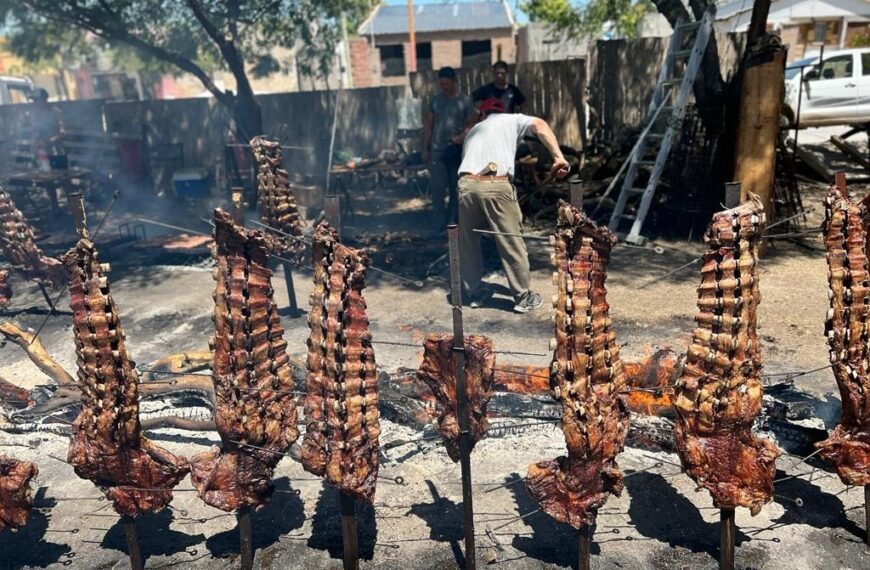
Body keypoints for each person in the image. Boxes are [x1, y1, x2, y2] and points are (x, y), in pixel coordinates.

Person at [456, 97, 570, 313]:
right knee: (511, 240)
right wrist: (558, 158)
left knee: (469, 242)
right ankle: (522, 297)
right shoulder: (512, 119)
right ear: (505, 111)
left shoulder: (474, 130)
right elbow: (540, 125)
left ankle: (474, 294)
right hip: (495, 184)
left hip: (465, 185)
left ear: (483, 113)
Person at [422, 67, 476, 225]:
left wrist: (461, 136)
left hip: (456, 150)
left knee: (456, 188)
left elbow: (471, 124)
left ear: (454, 82)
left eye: (447, 84)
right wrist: (425, 149)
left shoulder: (464, 101)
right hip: (438, 150)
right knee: (437, 188)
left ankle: (453, 222)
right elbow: (428, 127)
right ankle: (439, 222)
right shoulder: (435, 101)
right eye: (442, 84)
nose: (444, 87)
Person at [26, 88, 65, 169]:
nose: (35, 103)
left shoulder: (56, 112)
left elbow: (63, 133)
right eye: (34, 100)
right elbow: (34, 132)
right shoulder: (35, 115)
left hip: (56, 152)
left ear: (44, 99)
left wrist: (48, 141)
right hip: (41, 154)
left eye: (37, 100)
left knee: (59, 175)